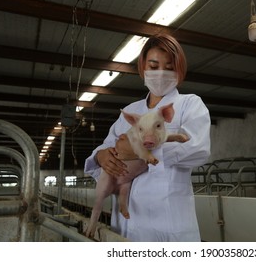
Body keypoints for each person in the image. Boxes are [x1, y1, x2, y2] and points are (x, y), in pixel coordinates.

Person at [84, 33, 211, 242]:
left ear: (179, 70)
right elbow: (106, 147)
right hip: (123, 226)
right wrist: (101, 157)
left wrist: (140, 150)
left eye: (169, 67)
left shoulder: (189, 104)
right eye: (153, 66)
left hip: (166, 225)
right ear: (143, 67)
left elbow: (197, 149)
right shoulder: (130, 112)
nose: (161, 73)